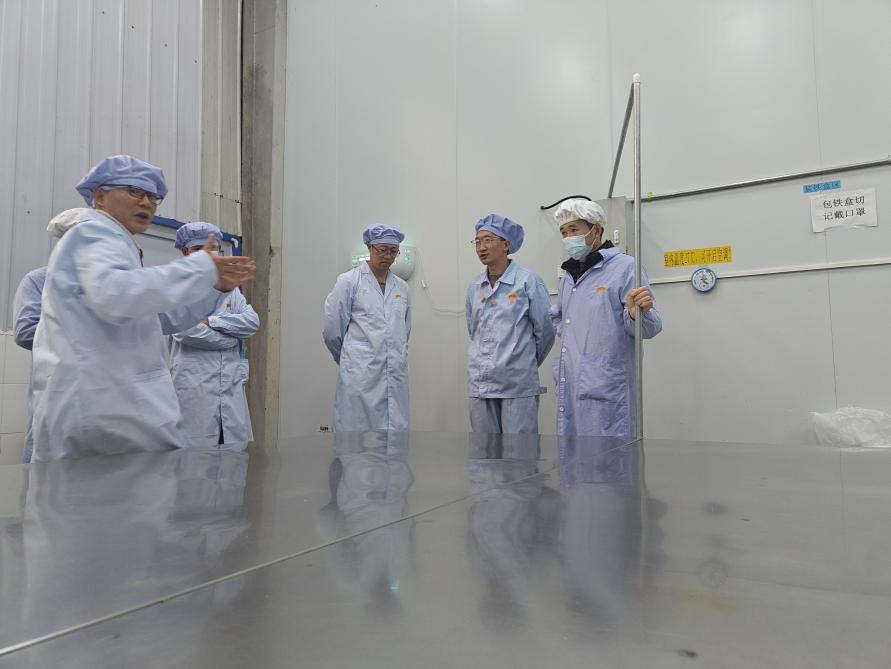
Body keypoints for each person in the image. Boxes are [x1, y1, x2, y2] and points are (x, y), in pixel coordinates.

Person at [29, 154, 256, 462]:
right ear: (99, 196)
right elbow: (117, 294)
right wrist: (200, 270)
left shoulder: (118, 244)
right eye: (135, 191)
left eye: (153, 196)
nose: (147, 202)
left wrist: (215, 289)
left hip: (114, 407)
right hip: (100, 407)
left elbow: (159, 317)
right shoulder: (93, 233)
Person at [550, 198, 662, 437]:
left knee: (610, 455)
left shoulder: (625, 267)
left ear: (596, 230)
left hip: (607, 386)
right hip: (572, 383)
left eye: (574, 229)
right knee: (573, 452)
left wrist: (636, 315)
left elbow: (651, 327)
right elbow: (560, 318)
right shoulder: (568, 276)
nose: (568, 237)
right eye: (564, 232)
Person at [167, 222, 260, 448]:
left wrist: (211, 321)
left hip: (230, 391)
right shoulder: (176, 287)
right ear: (185, 252)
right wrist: (232, 339)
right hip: (194, 390)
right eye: (198, 249)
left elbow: (252, 322)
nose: (207, 254)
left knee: (233, 460)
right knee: (193, 461)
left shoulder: (231, 291)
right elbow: (187, 331)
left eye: (213, 249)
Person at [465, 214, 554, 434]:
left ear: (506, 245)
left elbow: (546, 331)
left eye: (488, 240)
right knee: (484, 450)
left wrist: (521, 362)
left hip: (517, 385)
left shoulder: (528, 282)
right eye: (477, 241)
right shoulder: (475, 287)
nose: (481, 247)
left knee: (519, 450)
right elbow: (473, 330)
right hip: (481, 383)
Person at [12, 208, 88, 462]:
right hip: (57, 391)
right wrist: (88, 329)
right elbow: (25, 332)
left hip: (103, 401)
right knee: (47, 473)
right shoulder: (38, 280)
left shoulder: (107, 283)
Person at [323, 224, 411, 431]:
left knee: (393, 437)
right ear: (370, 247)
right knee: (357, 437)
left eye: (393, 251)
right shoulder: (348, 282)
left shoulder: (402, 288)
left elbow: (404, 331)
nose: (388, 256)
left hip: (394, 376)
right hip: (359, 377)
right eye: (383, 250)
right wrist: (352, 360)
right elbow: (332, 331)